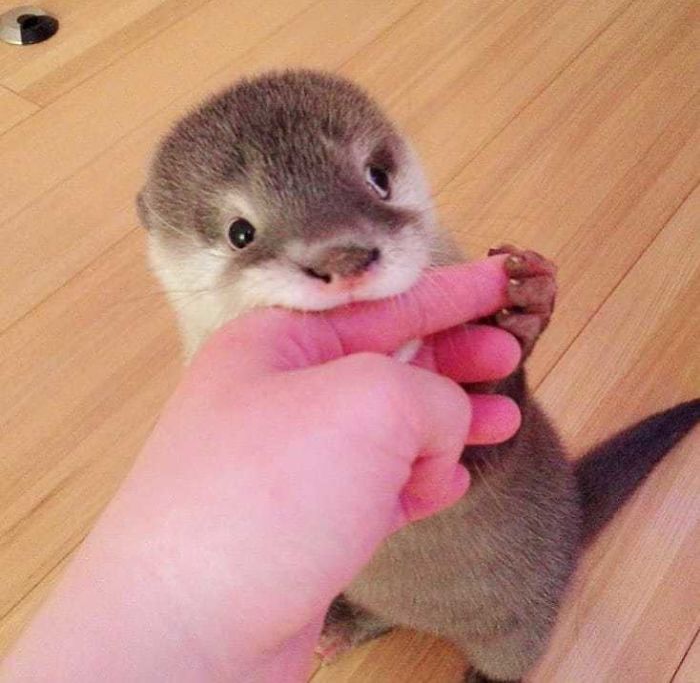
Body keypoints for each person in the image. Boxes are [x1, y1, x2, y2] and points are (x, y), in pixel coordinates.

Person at [1, 257, 522, 682]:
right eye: (242, 236)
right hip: (367, 577)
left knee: (509, 647)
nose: (341, 263)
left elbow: (488, 452)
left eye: (377, 179)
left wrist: (185, 628)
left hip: (492, 590)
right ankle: (371, 612)